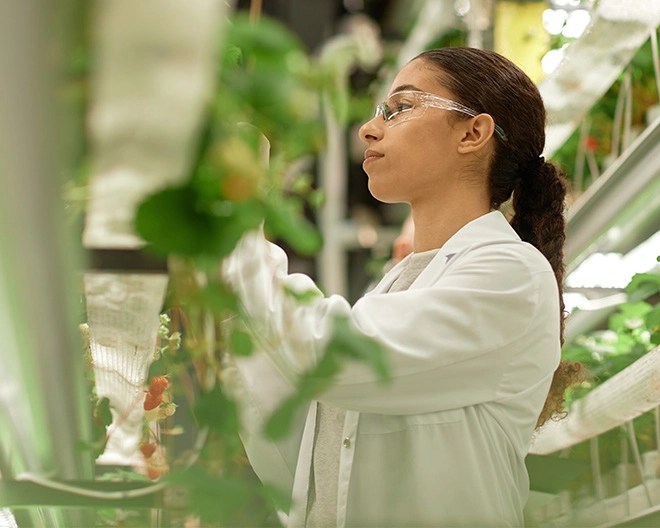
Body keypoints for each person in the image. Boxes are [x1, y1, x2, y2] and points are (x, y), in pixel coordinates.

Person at [222, 46, 583, 527]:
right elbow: (302, 446)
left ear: (473, 132)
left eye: (401, 109)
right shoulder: (398, 286)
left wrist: (243, 218)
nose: (369, 129)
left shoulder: (511, 274)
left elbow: (334, 359)